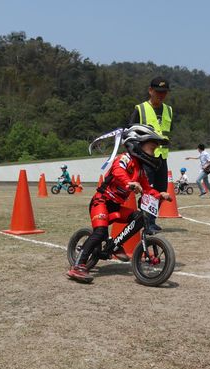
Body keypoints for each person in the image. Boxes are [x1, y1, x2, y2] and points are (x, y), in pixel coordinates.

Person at [68, 125, 172, 282]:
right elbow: (118, 172)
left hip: (116, 206)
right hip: (101, 201)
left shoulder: (140, 170)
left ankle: (114, 245)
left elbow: (147, 188)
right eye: (152, 147)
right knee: (100, 232)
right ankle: (78, 266)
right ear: (137, 143)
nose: (154, 151)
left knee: (139, 218)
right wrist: (129, 182)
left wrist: (159, 194)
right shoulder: (124, 159)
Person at [129, 76, 173, 232]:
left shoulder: (169, 110)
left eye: (164, 92)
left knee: (161, 189)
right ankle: (147, 223)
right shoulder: (140, 109)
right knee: (148, 190)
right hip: (145, 157)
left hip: (162, 156)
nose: (161, 95)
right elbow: (130, 132)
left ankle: (150, 220)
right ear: (150, 90)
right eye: (158, 91)